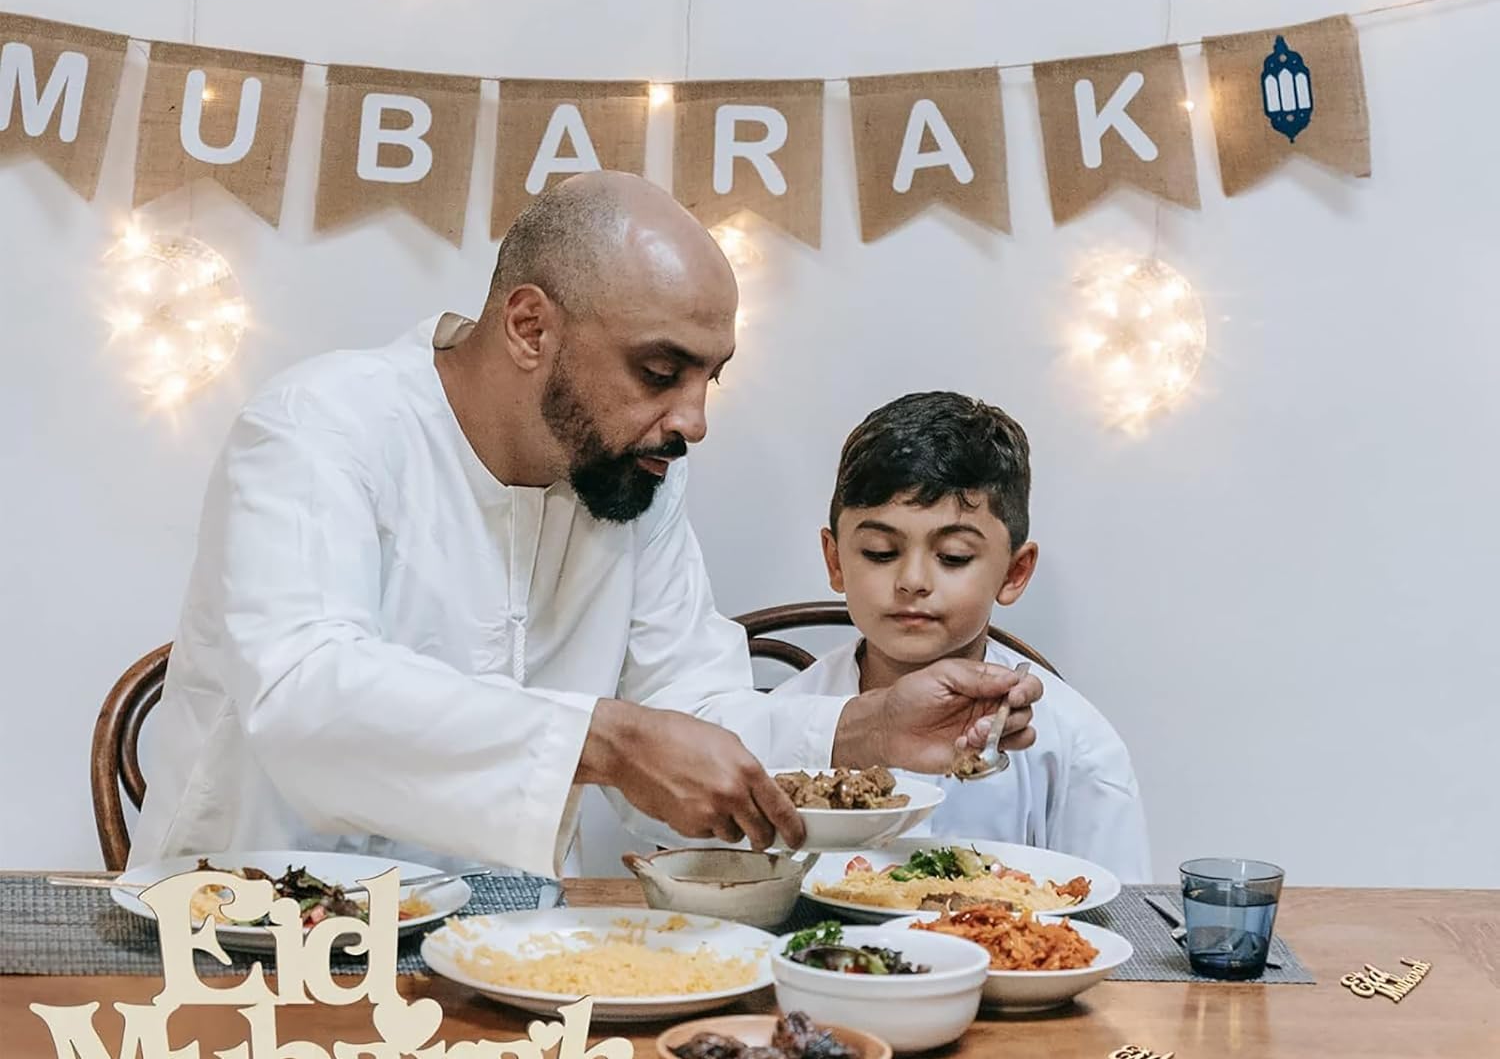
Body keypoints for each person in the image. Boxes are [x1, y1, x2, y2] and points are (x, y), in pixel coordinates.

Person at [131, 174, 1043, 877]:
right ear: (529, 326)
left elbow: (693, 715)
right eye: (660, 371)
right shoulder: (319, 426)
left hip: (512, 955)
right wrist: (607, 740)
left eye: (708, 377)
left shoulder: (633, 477)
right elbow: (307, 696)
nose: (694, 421)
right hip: (241, 945)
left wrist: (859, 731)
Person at [771, 391, 1151, 880]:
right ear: (834, 560)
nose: (912, 581)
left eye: (952, 557)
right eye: (880, 552)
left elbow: (1116, 913)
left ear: (1015, 572)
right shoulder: (780, 722)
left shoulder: (1077, 747)